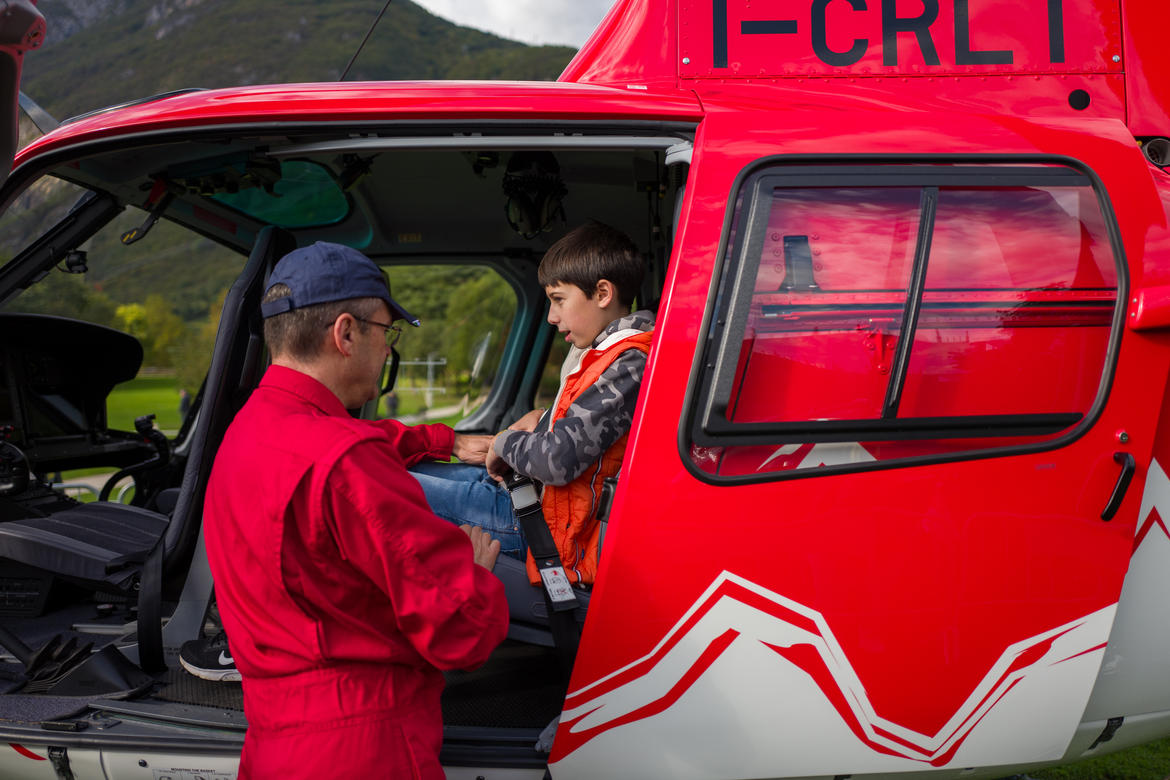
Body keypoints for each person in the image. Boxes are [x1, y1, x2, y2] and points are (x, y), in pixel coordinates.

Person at [200, 241, 509, 779]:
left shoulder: (247, 430)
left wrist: (443, 441)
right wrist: (477, 572)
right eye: (386, 332)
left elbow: (336, 446)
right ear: (346, 333)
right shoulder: (348, 465)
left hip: (274, 742)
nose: (389, 350)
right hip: (364, 745)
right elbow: (461, 634)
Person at [410, 221, 654, 586]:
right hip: (535, 502)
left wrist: (502, 442)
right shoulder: (604, 353)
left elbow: (558, 460)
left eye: (558, 300)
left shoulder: (629, 362)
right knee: (397, 472)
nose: (552, 317)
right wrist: (538, 421)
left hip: (541, 529)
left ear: (602, 293)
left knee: (383, 487)